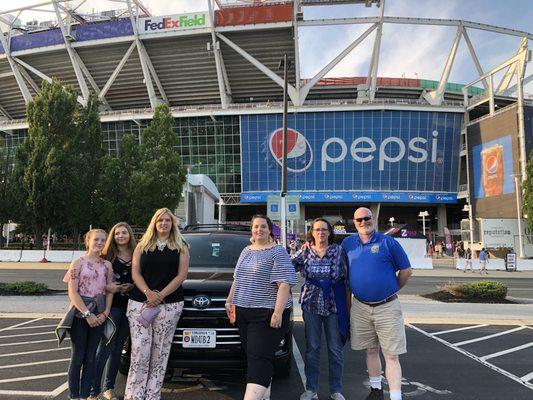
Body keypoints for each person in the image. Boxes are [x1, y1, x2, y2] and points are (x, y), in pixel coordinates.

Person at [341, 208, 413, 400]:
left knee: (392, 355)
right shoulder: (347, 243)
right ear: (354, 223)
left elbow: (406, 271)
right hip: (360, 307)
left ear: (374, 219)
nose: (364, 222)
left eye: (367, 218)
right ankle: (376, 390)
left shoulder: (388, 242)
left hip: (387, 306)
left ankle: (396, 397)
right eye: (359, 220)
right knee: (370, 350)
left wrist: (392, 288)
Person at [225, 215, 297, 400]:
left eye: (263, 226)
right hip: (243, 312)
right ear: (252, 229)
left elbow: (284, 283)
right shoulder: (246, 251)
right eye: (256, 226)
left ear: (269, 230)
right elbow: (237, 279)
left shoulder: (277, 252)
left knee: (259, 359)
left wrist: (278, 312)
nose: (259, 230)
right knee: (256, 357)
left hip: (266, 313)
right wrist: (229, 300)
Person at [125, 208, 189, 400]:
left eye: (167, 220)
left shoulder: (181, 246)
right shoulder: (142, 245)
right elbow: (135, 272)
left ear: (172, 224)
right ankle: (134, 395)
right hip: (140, 304)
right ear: (154, 222)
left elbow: (181, 275)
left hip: (169, 306)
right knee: (139, 351)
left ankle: (152, 395)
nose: (163, 223)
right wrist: (148, 293)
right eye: (160, 220)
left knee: (159, 353)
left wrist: (160, 295)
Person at [292, 218, 349, 400]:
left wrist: (349, 308)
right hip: (311, 304)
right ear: (312, 232)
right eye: (317, 230)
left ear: (330, 232)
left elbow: (347, 278)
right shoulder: (305, 251)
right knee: (312, 348)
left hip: (334, 305)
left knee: (335, 349)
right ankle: (311, 389)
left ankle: (336, 390)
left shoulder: (339, 251)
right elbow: (286, 266)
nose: (321, 233)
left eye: (324, 230)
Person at [63, 229, 114, 400]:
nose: (99, 243)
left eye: (103, 240)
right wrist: (87, 314)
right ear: (88, 241)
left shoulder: (107, 265)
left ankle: (86, 395)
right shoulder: (78, 263)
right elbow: (73, 292)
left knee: (91, 357)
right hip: (80, 314)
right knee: (78, 356)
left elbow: (109, 291)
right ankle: (74, 396)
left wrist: (105, 313)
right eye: (96, 239)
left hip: (100, 314)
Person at [90, 222, 137, 400]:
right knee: (106, 346)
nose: (121, 236)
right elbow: (95, 281)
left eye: (124, 232)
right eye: (117, 233)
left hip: (131, 306)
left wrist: (131, 287)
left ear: (129, 235)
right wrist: (110, 287)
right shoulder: (107, 255)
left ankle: (108, 387)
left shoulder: (137, 253)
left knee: (118, 348)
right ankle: (93, 389)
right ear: (113, 236)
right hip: (111, 307)